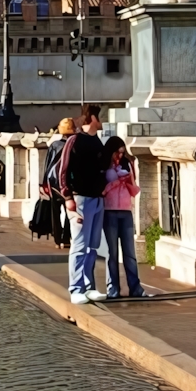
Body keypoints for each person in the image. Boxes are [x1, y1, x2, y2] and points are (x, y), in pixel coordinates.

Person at [59, 104, 108, 304]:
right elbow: (63, 170)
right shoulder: (75, 141)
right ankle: (75, 288)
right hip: (79, 199)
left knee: (92, 247)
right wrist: (67, 197)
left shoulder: (97, 142)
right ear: (93, 118)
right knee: (79, 245)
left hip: (97, 199)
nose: (104, 120)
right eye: (101, 116)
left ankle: (89, 287)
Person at [101, 136, 147, 299]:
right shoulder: (104, 165)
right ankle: (113, 288)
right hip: (109, 211)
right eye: (117, 153)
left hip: (126, 211)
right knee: (112, 253)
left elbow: (135, 191)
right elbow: (101, 191)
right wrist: (114, 183)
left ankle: (135, 287)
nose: (119, 156)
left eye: (122, 153)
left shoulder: (127, 164)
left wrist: (127, 182)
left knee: (130, 253)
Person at [40, 118, 75, 249]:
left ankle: (57, 238)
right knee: (69, 212)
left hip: (54, 183)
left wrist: (44, 183)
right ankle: (66, 238)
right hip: (69, 183)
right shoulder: (74, 145)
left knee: (55, 212)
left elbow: (47, 165)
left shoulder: (54, 145)